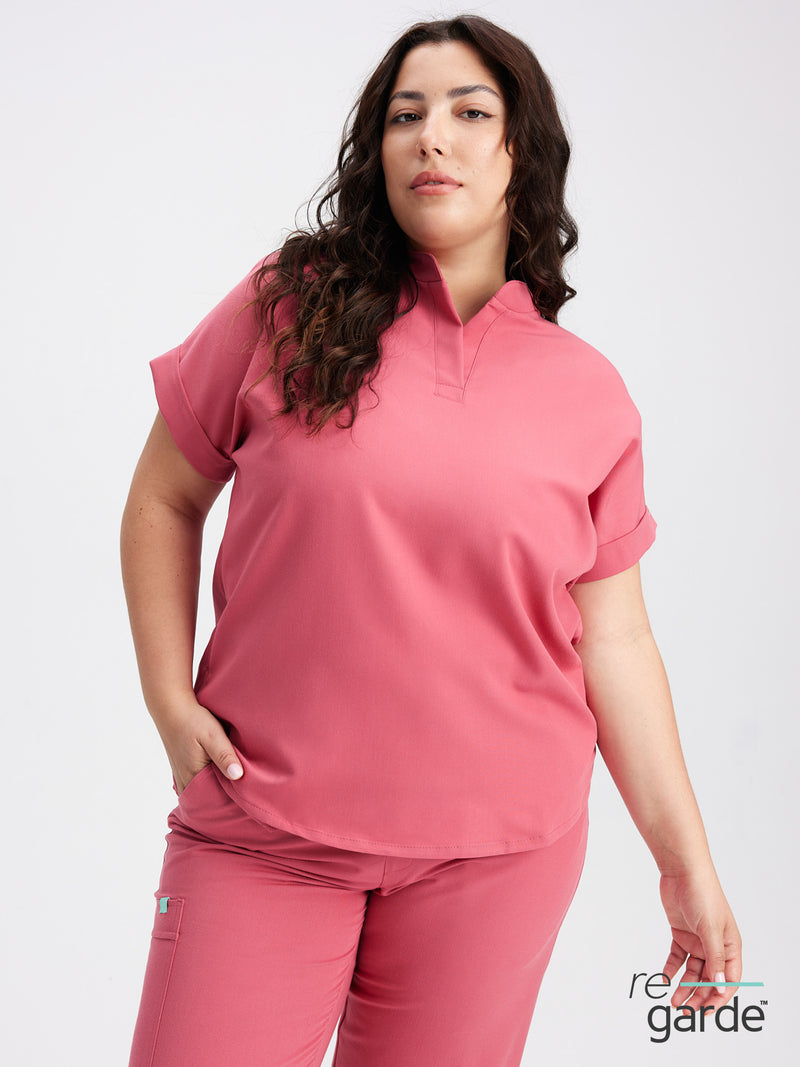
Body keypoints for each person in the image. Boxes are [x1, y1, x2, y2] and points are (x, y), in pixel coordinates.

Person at [120, 14, 742, 1066]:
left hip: (496, 860)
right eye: (405, 115)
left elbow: (616, 642)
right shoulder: (287, 308)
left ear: (520, 153)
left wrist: (685, 862)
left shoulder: (587, 394)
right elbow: (163, 498)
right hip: (265, 826)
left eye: (468, 112)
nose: (431, 137)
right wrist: (167, 699)